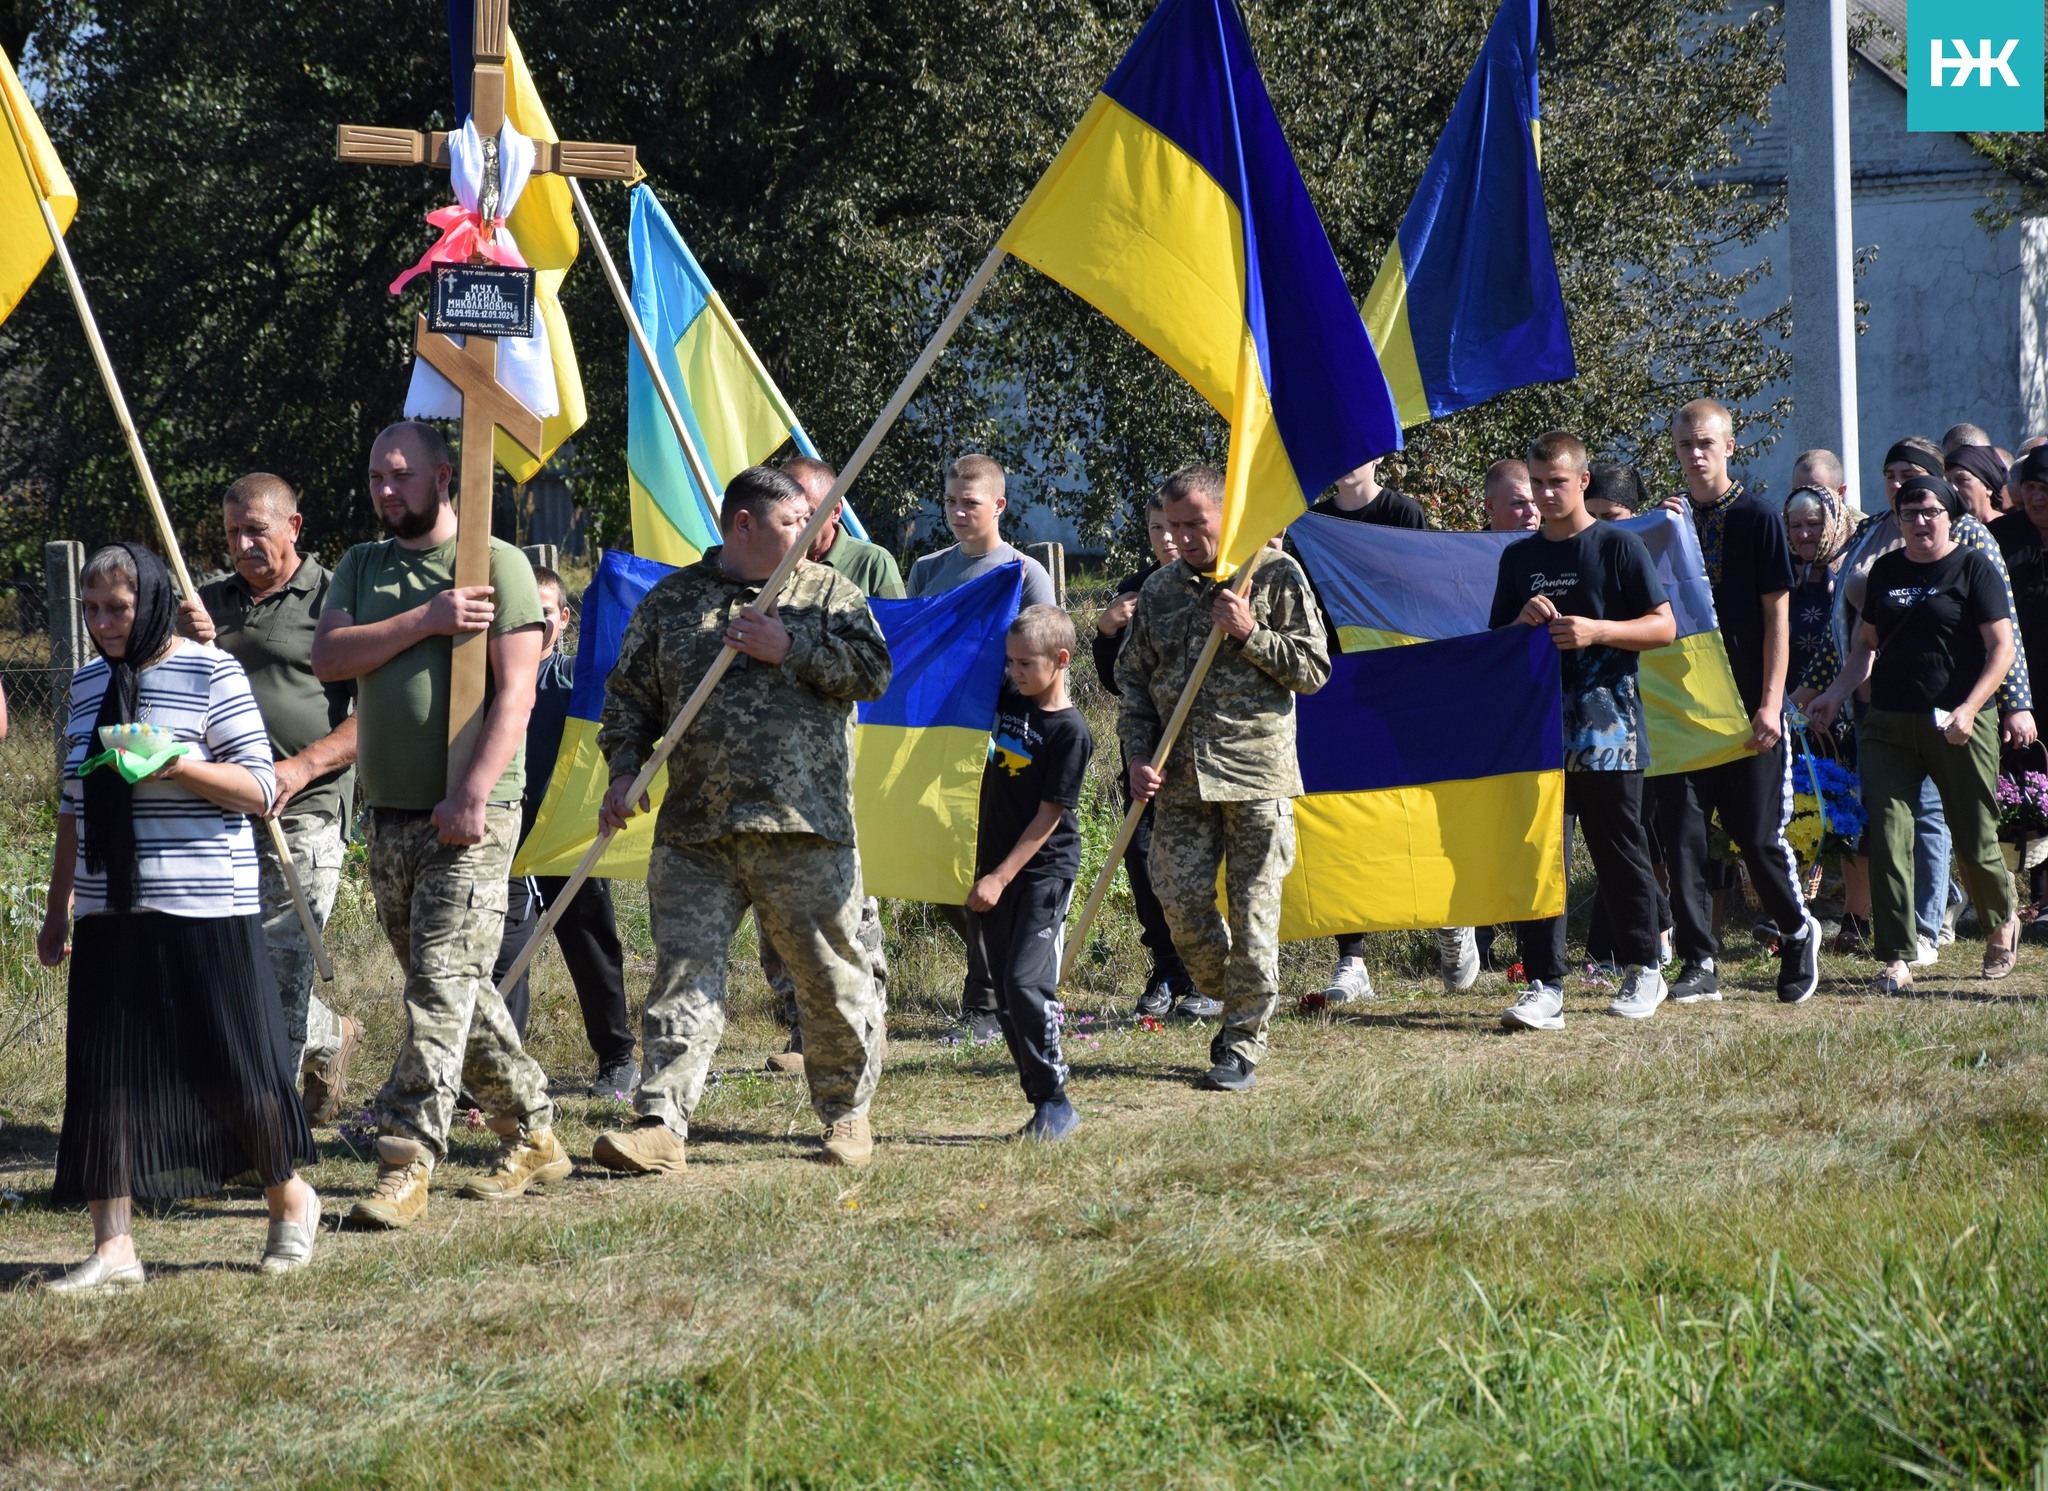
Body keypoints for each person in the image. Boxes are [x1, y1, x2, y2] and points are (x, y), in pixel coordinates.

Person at [591, 465, 892, 1172]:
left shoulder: (827, 592)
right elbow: (629, 699)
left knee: (826, 977)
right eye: (796, 524)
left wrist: (792, 647)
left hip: (802, 826)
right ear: (745, 525)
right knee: (683, 976)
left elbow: (875, 671)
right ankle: (661, 1122)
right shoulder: (673, 602)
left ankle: (847, 1114)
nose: (815, 535)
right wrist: (626, 770)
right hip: (696, 830)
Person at [38, 542, 320, 1290]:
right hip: (109, 907)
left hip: (205, 904)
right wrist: (58, 908)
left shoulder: (210, 669)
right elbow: (73, 805)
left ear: (153, 600)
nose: (102, 623)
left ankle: (291, 1200)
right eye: (92, 608)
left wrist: (178, 766)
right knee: (106, 1075)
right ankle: (115, 1246)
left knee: (233, 1063)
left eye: (118, 608)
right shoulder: (88, 682)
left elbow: (261, 786)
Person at [312, 421, 568, 1229]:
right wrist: (424, 619)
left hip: (472, 813)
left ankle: (407, 1159)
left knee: (436, 988)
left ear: (444, 476)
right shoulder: (362, 564)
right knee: (454, 987)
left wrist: (473, 794)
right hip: (389, 815)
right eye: (376, 476)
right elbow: (331, 658)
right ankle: (533, 1128)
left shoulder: (499, 564)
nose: (386, 490)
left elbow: (517, 694)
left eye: (401, 475)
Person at [1118, 464, 1330, 1093]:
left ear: (1225, 516)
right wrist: (1136, 755)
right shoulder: (1158, 591)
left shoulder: (1272, 574)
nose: (1181, 537)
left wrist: (1250, 634)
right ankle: (1226, 988)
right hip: (1178, 778)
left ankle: (1240, 1043)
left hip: (1255, 774)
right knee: (1180, 903)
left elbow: (1314, 670)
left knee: (1256, 912)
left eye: (1195, 524)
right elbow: (1133, 682)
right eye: (1172, 525)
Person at [174, 473, 363, 1125]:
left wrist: (302, 768)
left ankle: (267, 1124)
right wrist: (178, 640)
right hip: (224, 809)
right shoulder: (207, 605)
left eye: (256, 528)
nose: (243, 543)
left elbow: (376, 714)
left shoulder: (337, 598)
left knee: (279, 963)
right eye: (232, 532)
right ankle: (332, 1037)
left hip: (307, 810)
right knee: (229, 963)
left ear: (294, 527)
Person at [1805, 438, 2037, 963]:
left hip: (1959, 722)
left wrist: (1974, 707)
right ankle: (1898, 954)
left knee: (1975, 837)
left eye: (1931, 511)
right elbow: (1865, 647)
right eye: (1910, 512)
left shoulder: (1973, 565)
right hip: (1888, 721)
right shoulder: (1884, 571)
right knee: (1888, 835)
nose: (1921, 521)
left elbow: (2003, 648)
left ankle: (2001, 925)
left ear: (1949, 516)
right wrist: (1832, 695)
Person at [1491, 433, 1676, 1029]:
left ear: (1583, 483)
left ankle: (1644, 969)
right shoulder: (1517, 559)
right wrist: (1521, 622)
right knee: (1540, 856)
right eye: (1537, 484)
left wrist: (1598, 632)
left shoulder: (1618, 546)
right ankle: (1545, 985)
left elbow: (1664, 628)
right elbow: (1496, 648)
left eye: (1557, 483)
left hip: (1610, 732)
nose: (1546, 495)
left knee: (1621, 852)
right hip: (1537, 733)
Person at [1653, 399, 1821, 1004]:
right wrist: (1659, 534)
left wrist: (1771, 702)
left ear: (1729, 446)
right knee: (1684, 840)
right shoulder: (1665, 523)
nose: (1694, 455)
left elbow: (1777, 617)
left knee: (1756, 836)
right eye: (1684, 446)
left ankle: (1798, 931)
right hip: (1685, 713)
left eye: (1705, 444)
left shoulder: (1758, 518)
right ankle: (1699, 960)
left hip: (1750, 705)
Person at [907, 454, 1055, 1042]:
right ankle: (1002, 967)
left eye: (970, 503)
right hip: (936, 740)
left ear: (999, 505)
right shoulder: (926, 569)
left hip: (1001, 744)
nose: (958, 513)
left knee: (981, 865)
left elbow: (1046, 660)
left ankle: (986, 1005)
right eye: (950, 502)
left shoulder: (1025, 573)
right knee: (934, 864)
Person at [757, 454, 896, 1074]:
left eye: (807, 512)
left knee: (844, 903)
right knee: (774, 910)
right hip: (768, 768)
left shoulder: (867, 567)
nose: (796, 525)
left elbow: (890, 655)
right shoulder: (763, 568)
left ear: (834, 510)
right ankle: (802, 1029)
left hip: (841, 760)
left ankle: (870, 1022)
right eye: (787, 513)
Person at [490, 564, 638, 1098]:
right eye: (522, 614)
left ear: (564, 619)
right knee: (503, 957)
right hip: (505, 835)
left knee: (592, 946)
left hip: (569, 835)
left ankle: (617, 1059)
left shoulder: (578, 678)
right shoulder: (487, 677)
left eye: (544, 615)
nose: (533, 624)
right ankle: (501, 1071)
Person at [1296, 458, 1427, 1002]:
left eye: (1358, 450)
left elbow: (1424, 587)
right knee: (1345, 819)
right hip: (1336, 685)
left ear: (1379, 455)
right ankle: (1352, 958)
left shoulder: (1404, 513)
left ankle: (1449, 922)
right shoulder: (1311, 524)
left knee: (1412, 809)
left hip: (1396, 681)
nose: (1346, 462)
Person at [969, 605, 1093, 1140]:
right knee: (1001, 990)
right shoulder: (1008, 699)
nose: (1014, 673)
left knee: (1025, 984)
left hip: (1041, 871)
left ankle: (1058, 1100)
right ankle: (1039, 1099)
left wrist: (999, 877)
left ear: (1060, 660)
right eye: (1010, 662)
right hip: (992, 866)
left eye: (1025, 664)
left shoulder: (1071, 733)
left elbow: (1048, 817)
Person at [1092, 493, 1215, 1022]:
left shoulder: (1224, 580)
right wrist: (1105, 631)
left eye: (1178, 526)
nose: (1169, 538)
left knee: (1206, 868)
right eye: (1157, 528)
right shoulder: (1135, 592)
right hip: (1145, 754)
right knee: (1143, 859)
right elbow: (1117, 684)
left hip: (1208, 755)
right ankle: (1166, 965)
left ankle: (1209, 974)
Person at [1781, 481, 1870, 946]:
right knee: (1806, 810)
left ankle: (1857, 918)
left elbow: (1850, 647)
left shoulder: (1852, 571)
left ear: (1835, 521)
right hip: (1799, 705)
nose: (1804, 534)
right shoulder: (1786, 572)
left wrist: (1821, 695)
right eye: (1795, 525)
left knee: (1850, 812)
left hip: (1843, 705)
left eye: (1814, 524)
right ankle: (1802, 917)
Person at [1945, 444, 2008, 527]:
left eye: (1962, 480)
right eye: (1947, 482)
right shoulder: (1944, 533)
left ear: (1988, 487)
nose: (1953, 488)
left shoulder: (2013, 529)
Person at [1482, 459, 1539, 533]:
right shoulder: (1471, 544)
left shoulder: (1553, 543)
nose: (1532, 511)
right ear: (1491, 507)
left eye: (1534, 502)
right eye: (1519, 503)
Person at [1583, 462, 1647, 521]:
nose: (1597, 524)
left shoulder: (1650, 532)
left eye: (1609, 517)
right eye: (1590, 516)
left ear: (1630, 513)